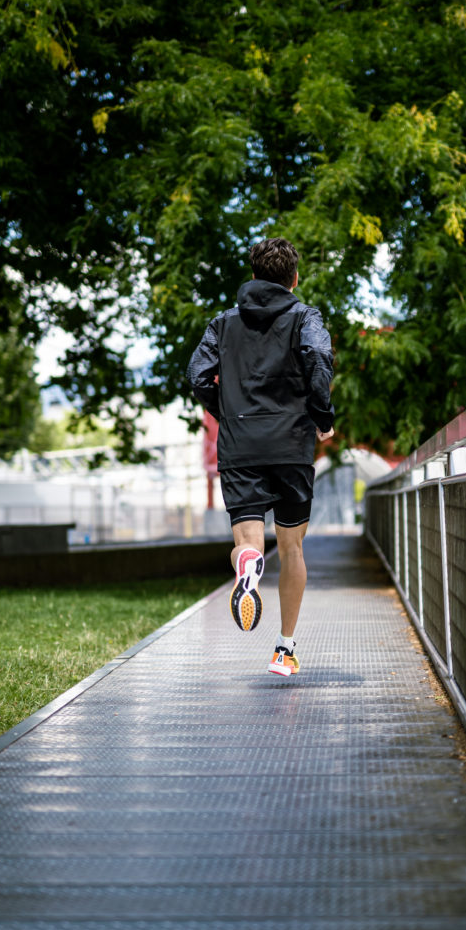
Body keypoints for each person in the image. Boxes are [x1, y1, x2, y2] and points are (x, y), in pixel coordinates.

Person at [186, 237, 335, 676]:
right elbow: (318, 358)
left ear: (252, 276)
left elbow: (198, 374)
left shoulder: (223, 323)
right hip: (290, 443)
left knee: (247, 543)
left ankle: (248, 565)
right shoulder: (305, 316)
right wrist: (321, 416)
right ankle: (284, 649)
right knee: (292, 548)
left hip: (241, 446)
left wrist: (226, 413)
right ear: (294, 278)